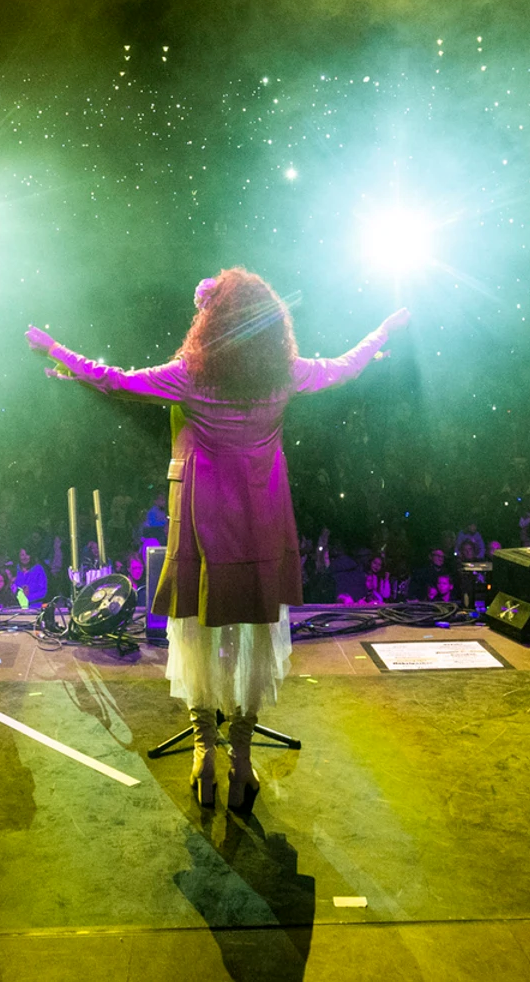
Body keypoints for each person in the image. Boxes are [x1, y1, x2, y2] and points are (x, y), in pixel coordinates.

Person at [28, 269, 408, 812]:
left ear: (211, 325)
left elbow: (113, 378)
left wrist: (54, 348)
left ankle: (205, 750)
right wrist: (383, 332)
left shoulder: (190, 377)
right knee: (255, 630)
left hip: (203, 518)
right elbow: (346, 367)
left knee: (196, 627)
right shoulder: (284, 374)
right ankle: (243, 761)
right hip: (260, 515)